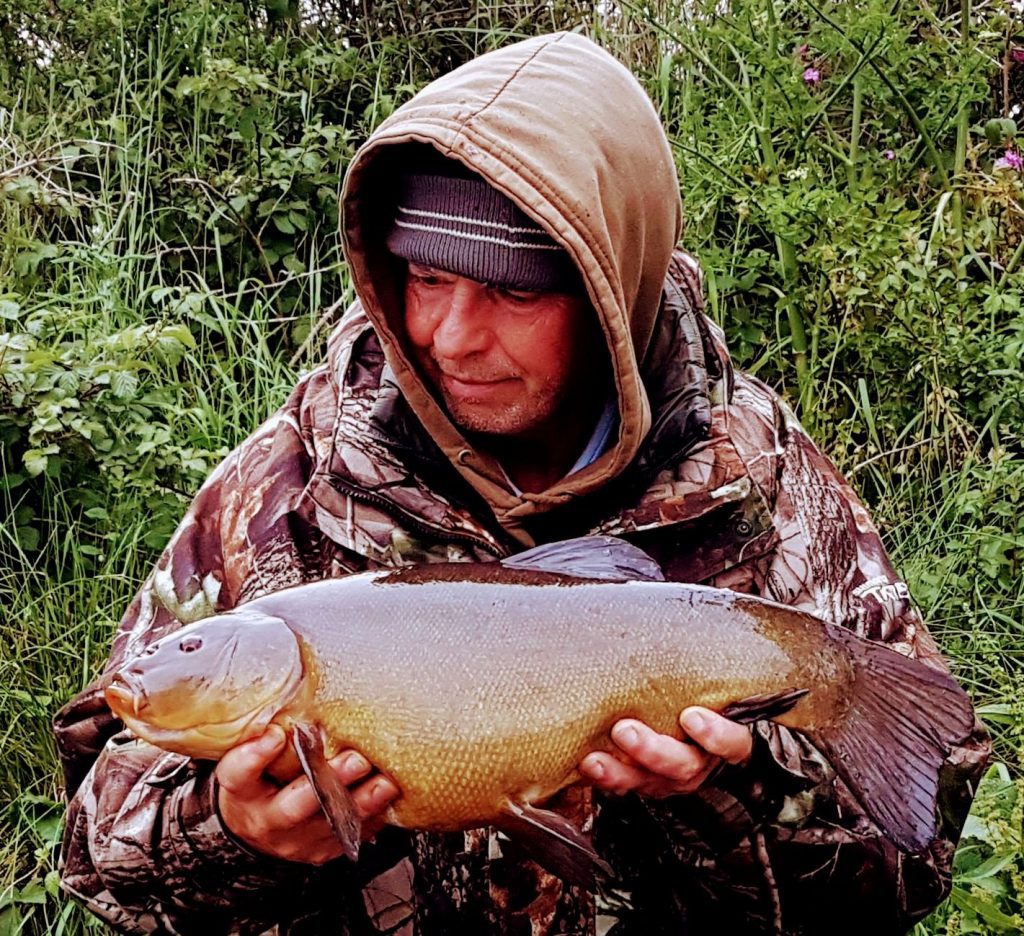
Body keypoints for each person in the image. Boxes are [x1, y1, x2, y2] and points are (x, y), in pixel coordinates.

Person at [54, 31, 988, 935]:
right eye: (426, 277)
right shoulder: (286, 484)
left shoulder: (762, 483)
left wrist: (727, 791)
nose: (453, 336)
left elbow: (909, 876)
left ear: (610, 296)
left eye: (514, 291)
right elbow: (97, 861)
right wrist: (232, 834)